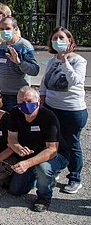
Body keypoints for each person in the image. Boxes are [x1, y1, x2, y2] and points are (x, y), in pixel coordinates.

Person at [40, 27, 87, 194]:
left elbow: (74, 80)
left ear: (70, 41)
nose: (58, 41)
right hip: (52, 108)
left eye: (62, 38)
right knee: (56, 141)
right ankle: (57, 168)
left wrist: (65, 59)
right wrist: (42, 102)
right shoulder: (52, 61)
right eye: (55, 38)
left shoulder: (79, 61)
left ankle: (75, 177)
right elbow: (45, 83)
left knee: (72, 143)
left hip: (72, 110)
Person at [7, 86, 68, 212]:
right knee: (15, 190)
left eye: (29, 101)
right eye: (21, 102)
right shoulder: (14, 113)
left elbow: (52, 150)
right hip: (30, 154)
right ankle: (39, 177)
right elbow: (12, 139)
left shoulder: (48, 117)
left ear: (38, 101)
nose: (25, 105)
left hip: (54, 155)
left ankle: (44, 197)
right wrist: (18, 148)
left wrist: (27, 163)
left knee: (44, 168)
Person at [0, 16, 39, 111]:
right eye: (2, 29)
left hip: (16, 95)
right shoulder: (2, 46)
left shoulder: (24, 46)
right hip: (0, 94)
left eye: (7, 28)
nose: (4, 31)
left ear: (15, 29)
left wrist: (19, 63)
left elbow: (35, 70)